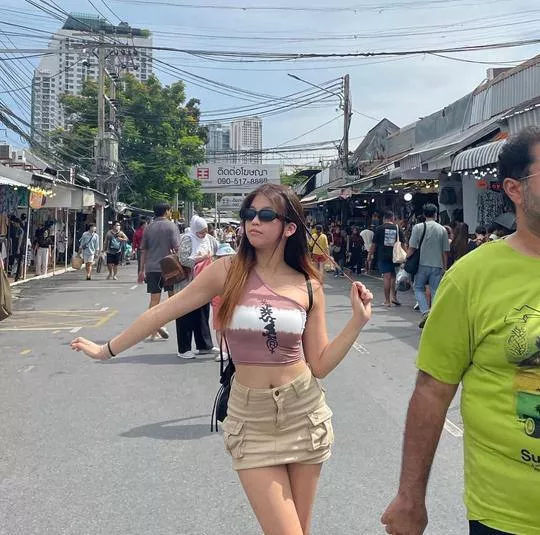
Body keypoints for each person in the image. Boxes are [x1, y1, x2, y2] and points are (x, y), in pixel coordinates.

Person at [71, 183, 373, 535]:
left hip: (304, 412)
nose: (253, 221)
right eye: (249, 214)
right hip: (251, 418)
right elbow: (162, 312)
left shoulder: (308, 284)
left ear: (290, 227)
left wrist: (357, 322)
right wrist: (106, 350)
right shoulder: (226, 271)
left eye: (266, 215)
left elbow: (319, 364)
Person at [382, 127, 540, 535]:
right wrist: (410, 497)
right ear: (514, 189)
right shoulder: (472, 278)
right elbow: (432, 392)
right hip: (509, 516)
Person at [175, 215, 219, 359]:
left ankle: (204, 345)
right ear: (195, 229)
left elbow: (217, 250)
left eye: (205, 231)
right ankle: (184, 349)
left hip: (204, 281)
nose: (203, 234)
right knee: (185, 314)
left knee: (202, 313)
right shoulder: (187, 239)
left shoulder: (209, 239)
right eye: (201, 231)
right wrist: (200, 258)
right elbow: (183, 259)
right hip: (188, 282)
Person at [137, 203, 181, 342]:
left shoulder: (148, 228)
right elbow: (177, 248)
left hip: (152, 268)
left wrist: (141, 270)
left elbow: (143, 250)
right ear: (166, 211)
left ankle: (153, 330)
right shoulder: (171, 226)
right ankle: (160, 323)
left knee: (154, 300)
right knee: (172, 299)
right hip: (169, 267)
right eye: (170, 211)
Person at [406, 203, 450, 328]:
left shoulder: (418, 227)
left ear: (424, 215)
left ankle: (425, 312)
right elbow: (445, 251)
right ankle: (435, 315)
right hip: (437, 265)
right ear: (436, 214)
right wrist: (445, 267)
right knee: (435, 290)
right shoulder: (442, 229)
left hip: (421, 264)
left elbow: (412, 247)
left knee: (418, 288)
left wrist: (406, 259)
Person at [368, 211, 405, 307]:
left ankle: (387, 301)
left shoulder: (379, 229)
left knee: (386, 277)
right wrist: (407, 256)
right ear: (392, 218)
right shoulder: (398, 228)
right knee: (393, 277)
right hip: (396, 256)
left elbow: (374, 244)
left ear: (384, 219)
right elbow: (403, 244)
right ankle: (394, 298)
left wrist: (369, 255)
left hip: (383, 256)